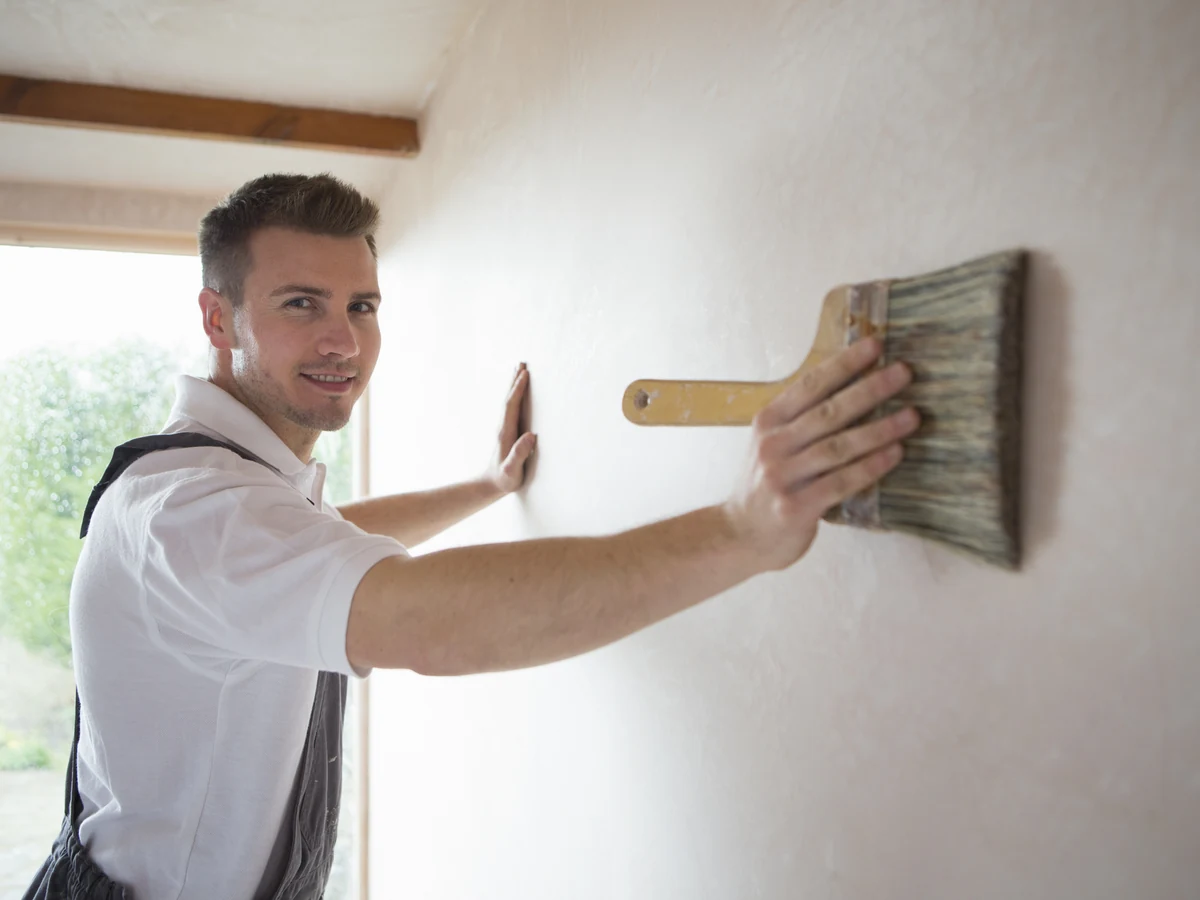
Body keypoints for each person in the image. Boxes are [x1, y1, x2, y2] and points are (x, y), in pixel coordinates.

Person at [25, 173, 918, 899]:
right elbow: (434, 625)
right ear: (218, 319)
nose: (344, 341)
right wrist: (742, 530)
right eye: (301, 304)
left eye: (362, 305)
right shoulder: (192, 511)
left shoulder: (233, 487)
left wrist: (488, 487)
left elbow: (323, 539)